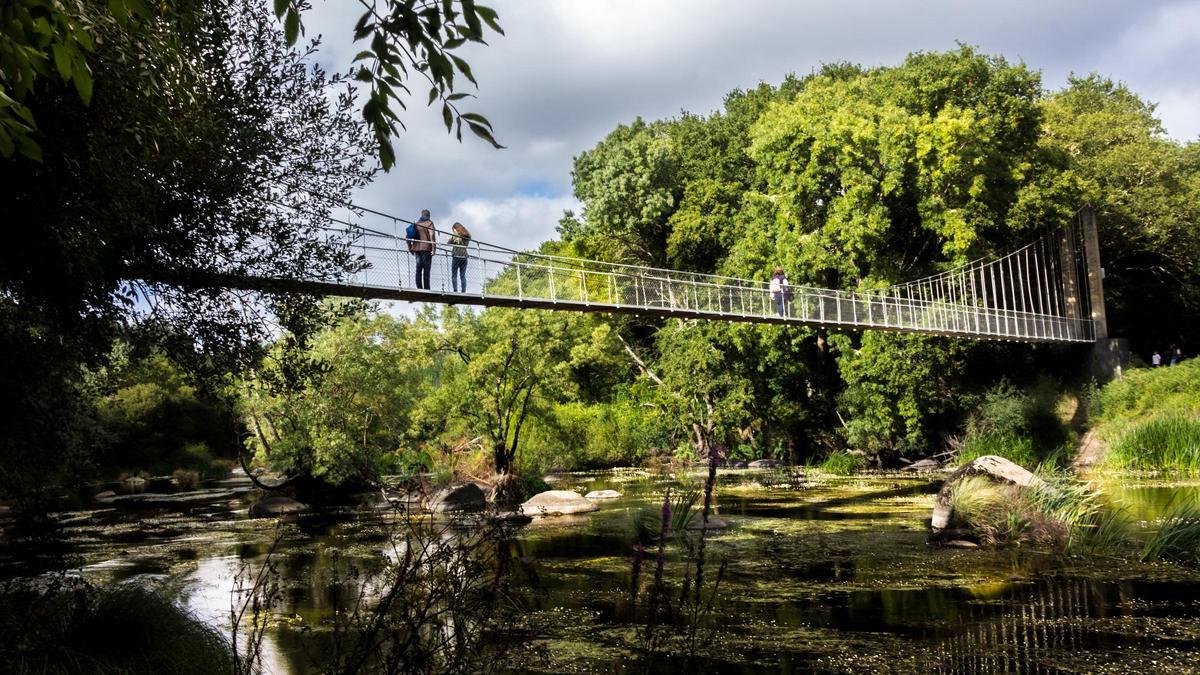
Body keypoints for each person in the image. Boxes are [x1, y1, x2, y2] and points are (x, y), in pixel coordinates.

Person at [408, 209, 436, 290]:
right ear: (429, 215)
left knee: (418, 268)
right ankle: (427, 289)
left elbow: (407, 238)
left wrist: (410, 249)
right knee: (426, 270)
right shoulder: (429, 223)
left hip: (416, 249)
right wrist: (433, 248)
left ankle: (419, 288)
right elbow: (432, 235)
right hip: (426, 249)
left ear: (421, 215)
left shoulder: (416, 224)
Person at [448, 222, 471, 293]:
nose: (453, 231)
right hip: (464, 256)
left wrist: (451, 238)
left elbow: (449, 242)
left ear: (456, 229)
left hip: (456, 256)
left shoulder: (456, 235)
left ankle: (455, 290)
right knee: (462, 275)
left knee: (454, 275)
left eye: (453, 230)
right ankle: (463, 291)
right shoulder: (467, 235)